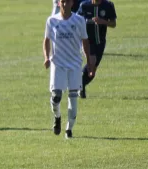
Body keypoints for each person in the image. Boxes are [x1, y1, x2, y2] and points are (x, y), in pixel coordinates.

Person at [44, 0, 96, 139]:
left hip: (74, 64)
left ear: (72, 3)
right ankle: (57, 117)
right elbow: (46, 40)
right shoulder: (52, 20)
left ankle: (69, 130)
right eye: (63, 2)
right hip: (58, 64)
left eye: (68, 1)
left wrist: (89, 62)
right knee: (56, 97)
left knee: (73, 98)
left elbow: (85, 41)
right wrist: (46, 57)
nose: (65, 4)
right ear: (59, 3)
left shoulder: (79, 20)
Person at [77, 0, 117, 98]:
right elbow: (76, 20)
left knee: (92, 72)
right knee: (91, 62)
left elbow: (113, 24)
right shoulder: (84, 5)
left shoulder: (108, 5)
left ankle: (80, 85)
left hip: (100, 42)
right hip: (87, 40)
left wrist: (102, 21)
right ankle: (78, 85)